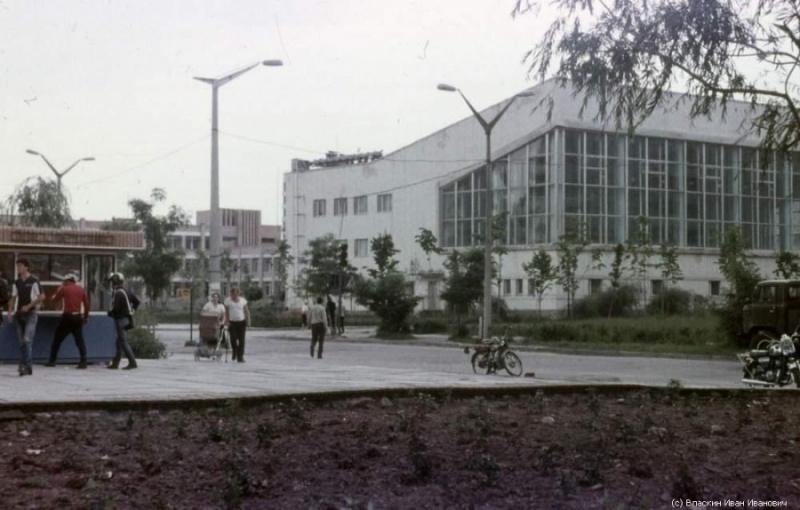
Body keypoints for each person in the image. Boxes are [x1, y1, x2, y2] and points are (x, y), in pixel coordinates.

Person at [7, 258, 44, 377]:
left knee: (27, 339)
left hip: (31, 313)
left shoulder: (34, 281)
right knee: (22, 342)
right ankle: (25, 366)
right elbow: (13, 297)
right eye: (17, 266)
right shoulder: (17, 282)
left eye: (20, 266)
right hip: (19, 314)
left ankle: (25, 365)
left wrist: (29, 306)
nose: (18, 268)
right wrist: (10, 312)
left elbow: (41, 297)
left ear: (26, 267)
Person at [46, 273, 90, 369]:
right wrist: (86, 317)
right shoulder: (81, 289)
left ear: (67, 281)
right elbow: (87, 305)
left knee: (57, 339)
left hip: (66, 317)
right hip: (77, 317)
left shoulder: (64, 289)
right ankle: (83, 362)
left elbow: (53, 300)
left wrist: (59, 289)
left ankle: (52, 361)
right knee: (79, 340)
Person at [107, 272, 140, 370]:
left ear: (114, 282)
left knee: (123, 342)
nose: (111, 284)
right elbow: (137, 302)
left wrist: (110, 313)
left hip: (120, 319)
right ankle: (115, 363)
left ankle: (132, 362)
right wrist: (132, 311)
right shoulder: (126, 291)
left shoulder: (118, 293)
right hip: (126, 319)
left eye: (112, 282)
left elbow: (116, 308)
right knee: (119, 342)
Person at [225, 287, 250, 363]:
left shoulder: (243, 301)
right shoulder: (228, 301)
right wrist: (227, 321)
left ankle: (240, 357)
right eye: (232, 293)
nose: (233, 295)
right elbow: (227, 312)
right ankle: (234, 351)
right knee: (233, 339)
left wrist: (248, 321)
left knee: (241, 340)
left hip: (241, 322)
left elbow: (246, 311)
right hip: (232, 322)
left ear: (238, 293)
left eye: (235, 293)